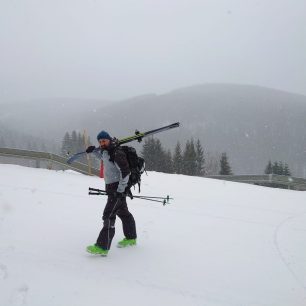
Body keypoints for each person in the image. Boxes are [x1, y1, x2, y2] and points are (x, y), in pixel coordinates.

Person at [86, 130, 137, 256]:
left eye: (104, 140)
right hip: (111, 187)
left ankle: (102, 247)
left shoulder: (117, 152)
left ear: (109, 139)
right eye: (100, 141)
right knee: (123, 212)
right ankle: (131, 238)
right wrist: (93, 151)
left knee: (108, 215)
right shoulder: (106, 151)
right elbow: (104, 159)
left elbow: (125, 173)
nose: (102, 143)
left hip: (117, 189)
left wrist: (120, 191)